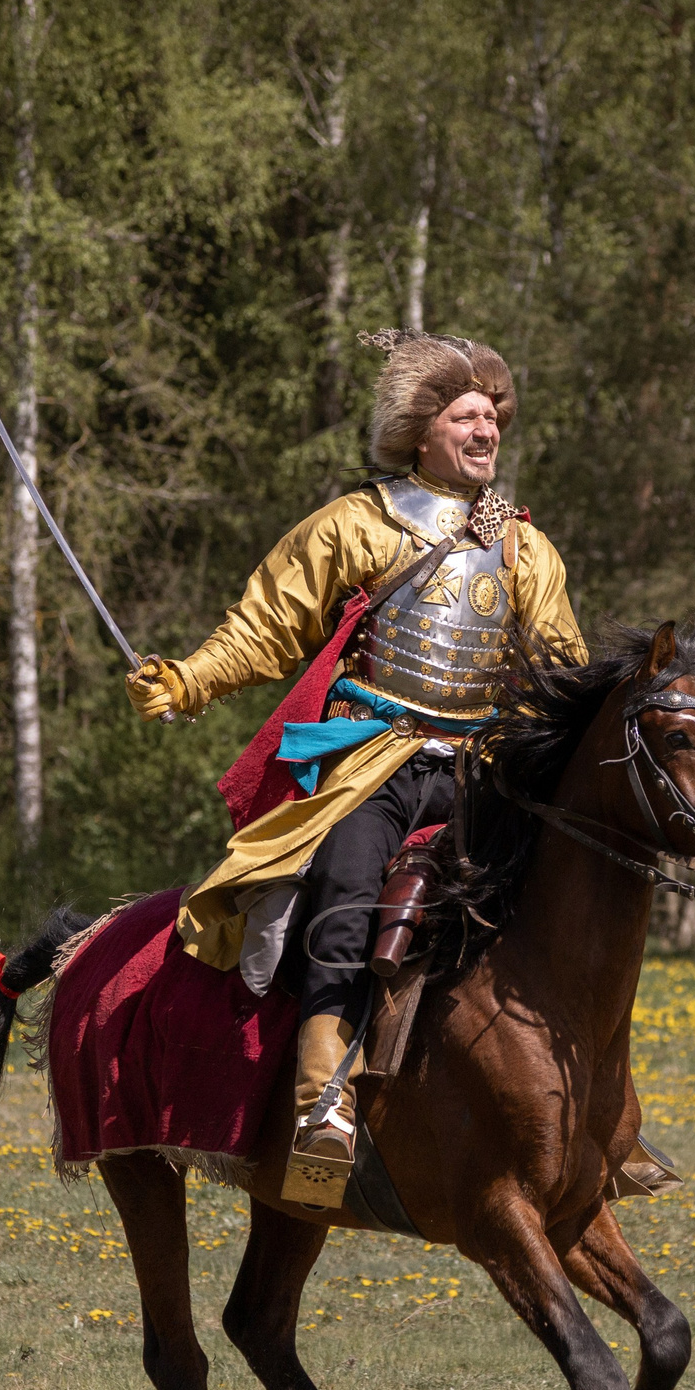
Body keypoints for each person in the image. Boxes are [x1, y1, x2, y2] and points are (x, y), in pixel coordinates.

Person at [124, 331, 584, 1207]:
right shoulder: (356, 523)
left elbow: (560, 673)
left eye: (493, 417)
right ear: (421, 430)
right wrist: (187, 680)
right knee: (345, 886)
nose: (487, 431)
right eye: (467, 416)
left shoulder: (528, 551)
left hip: (475, 769)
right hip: (369, 760)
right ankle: (319, 1106)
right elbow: (266, 626)